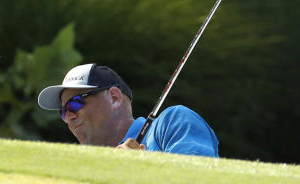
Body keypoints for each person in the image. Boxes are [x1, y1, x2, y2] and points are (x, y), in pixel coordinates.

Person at [37, 63, 219, 157]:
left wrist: (143, 167)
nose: (68, 116)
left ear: (114, 97)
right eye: (63, 111)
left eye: (75, 103)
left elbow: (200, 179)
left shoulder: (172, 121)